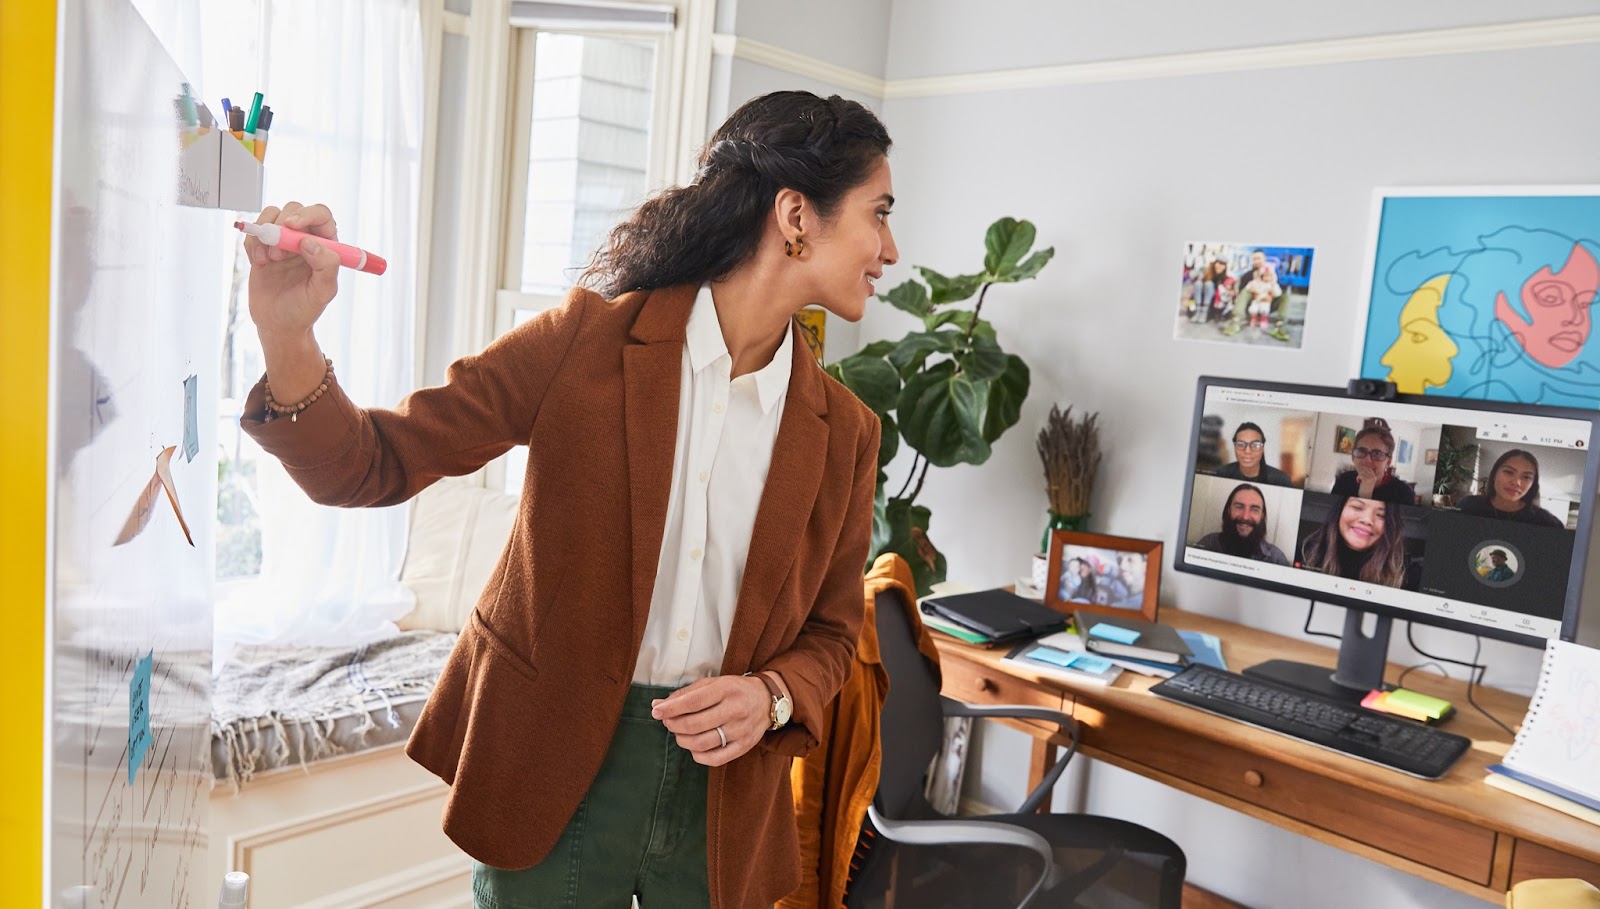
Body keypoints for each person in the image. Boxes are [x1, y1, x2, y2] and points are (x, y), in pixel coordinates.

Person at [238, 90, 896, 909]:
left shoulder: (846, 433)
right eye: (879, 212)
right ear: (795, 214)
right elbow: (369, 464)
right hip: (555, 773)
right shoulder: (584, 348)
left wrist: (769, 695)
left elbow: (835, 632)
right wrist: (287, 334)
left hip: (726, 801)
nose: (890, 247)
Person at [1298, 496, 1409, 588]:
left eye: (1381, 515)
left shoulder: (1401, 580)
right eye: (1357, 507)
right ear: (1340, 511)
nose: (1367, 520)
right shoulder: (1303, 556)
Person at [1455, 449, 1565, 528]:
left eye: (1526, 477)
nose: (1516, 482)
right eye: (1508, 472)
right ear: (1494, 475)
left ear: (1533, 484)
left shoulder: (1546, 523)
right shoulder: (1468, 506)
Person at [1194, 483, 1290, 565]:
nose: (1245, 517)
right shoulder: (1208, 544)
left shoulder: (1276, 558)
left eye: (1254, 509)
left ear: (1262, 515)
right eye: (1239, 507)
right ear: (1229, 511)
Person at [1330, 417, 1415, 504]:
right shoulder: (1344, 480)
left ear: (1388, 462)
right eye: (1361, 451)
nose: (1367, 460)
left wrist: (1365, 496)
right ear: (1353, 457)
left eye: (1377, 454)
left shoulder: (1404, 493)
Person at [1211, 421, 1294, 487]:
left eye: (1255, 445)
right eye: (1240, 444)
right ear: (1234, 447)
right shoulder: (1220, 473)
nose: (1247, 451)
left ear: (1262, 448)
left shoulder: (1281, 480)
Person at [1189, 258, 1232, 324]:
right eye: (1219, 263)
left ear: (1225, 267)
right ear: (1215, 263)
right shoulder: (1207, 270)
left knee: (1209, 284)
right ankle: (1198, 311)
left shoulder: (1224, 277)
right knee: (1198, 283)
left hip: (1212, 299)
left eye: (1223, 265)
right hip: (1200, 296)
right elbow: (1192, 276)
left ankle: (1204, 313)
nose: (1220, 266)